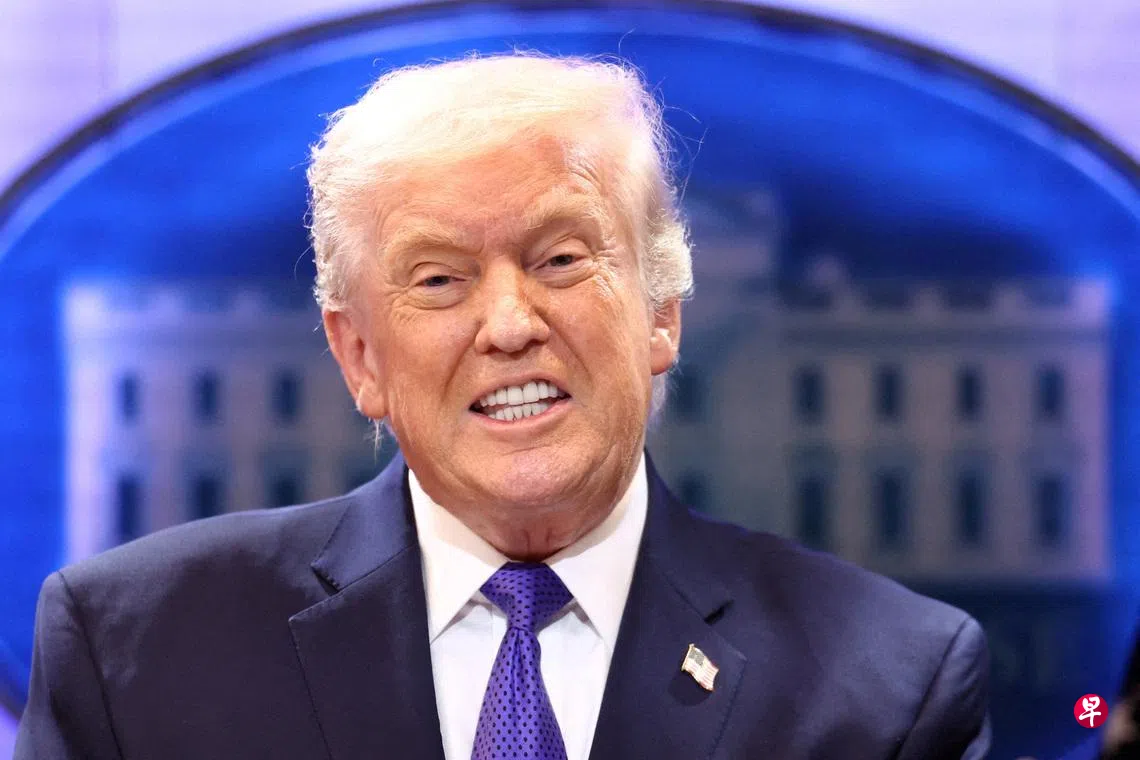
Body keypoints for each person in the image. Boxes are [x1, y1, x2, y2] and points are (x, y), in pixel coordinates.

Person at [15, 53, 990, 759]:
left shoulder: (890, 684)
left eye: (560, 259)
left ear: (661, 311)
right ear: (360, 356)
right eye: (439, 279)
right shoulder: (135, 653)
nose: (511, 324)